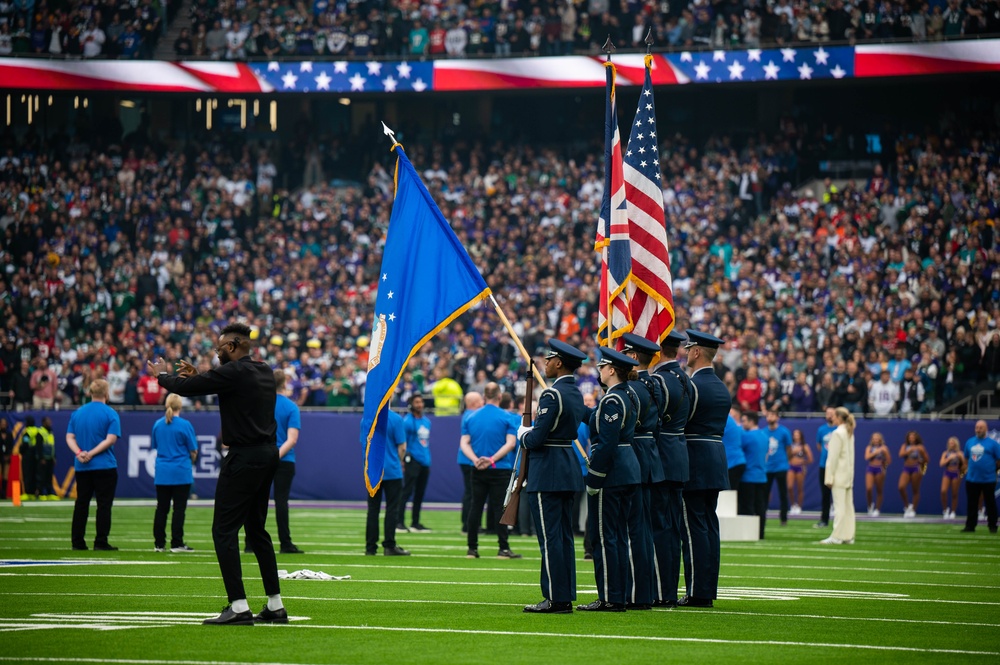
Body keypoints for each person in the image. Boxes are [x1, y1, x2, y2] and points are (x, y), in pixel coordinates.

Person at [149, 322, 288, 626]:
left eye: (220, 348)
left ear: (233, 346)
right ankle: (275, 605)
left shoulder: (233, 372)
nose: (217, 354)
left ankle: (238, 606)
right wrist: (200, 375)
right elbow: (228, 385)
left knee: (223, 530)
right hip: (268, 454)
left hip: (244, 456)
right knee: (257, 531)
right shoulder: (263, 370)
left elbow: (184, 388)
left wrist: (161, 375)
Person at [522, 339, 588, 614]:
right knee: (563, 537)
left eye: (548, 360)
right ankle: (564, 595)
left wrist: (523, 435)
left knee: (550, 538)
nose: (545, 364)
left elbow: (537, 438)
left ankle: (555, 598)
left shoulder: (552, 395)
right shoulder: (575, 394)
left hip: (548, 469)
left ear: (558, 363)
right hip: (567, 468)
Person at [577, 347, 640, 613]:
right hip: (628, 470)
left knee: (605, 537)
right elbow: (597, 421)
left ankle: (610, 597)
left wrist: (594, 477)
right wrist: (578, 409)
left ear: (611, 370)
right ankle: (619, 594)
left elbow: (606, 443)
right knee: (618, 536)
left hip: (612, 474)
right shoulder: (628, 395)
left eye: (602, 367)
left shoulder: (612, 400)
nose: (599, 371)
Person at [679, 329, 731, 608]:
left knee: (694, 528)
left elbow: (679, 422)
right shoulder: (721, 386)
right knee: (709, 527)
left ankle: (698, 591)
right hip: (715, 459)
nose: (686, 353)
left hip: (694, 460)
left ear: (697, 352)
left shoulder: (693, 386)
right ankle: (706, 588)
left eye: (689, 349)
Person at [620, 333, 666, 610]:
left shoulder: (631, 388)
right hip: (651, 455)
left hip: (634, 455)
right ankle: (644, 590)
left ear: (633, 356)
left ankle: (636, 593)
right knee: (644, 528)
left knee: (633, 528)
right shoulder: (656, 384)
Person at [650, 330, 692, 608]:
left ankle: (661, 590)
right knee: (672, 529)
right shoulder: (685, 379)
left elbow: (651, 421)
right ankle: (668, 589)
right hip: (679, 454)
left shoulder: (659, 381)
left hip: (661, 457)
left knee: (659, 528)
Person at [461, 382, 521, 559]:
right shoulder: (508, 417)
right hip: (499, 468)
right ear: (500, 396)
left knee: (475, 507)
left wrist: (476, 459)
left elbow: (464, 443)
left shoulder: (470, 417)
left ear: (485, 396)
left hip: (477, 467)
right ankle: (503, 548)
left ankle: (472, 548)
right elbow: (510, 444)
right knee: (499, 509)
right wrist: (492, 459)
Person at [66, 379, 121, 551]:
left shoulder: (78, 413)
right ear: (107, 393)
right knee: (103, 505)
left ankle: (77, 541)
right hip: (104, 465)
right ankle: (100, 541)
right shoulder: (110, 413)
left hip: (82, 466)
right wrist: (92, 453)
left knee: (81, 503)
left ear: (90, 393)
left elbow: (70, 437)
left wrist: (79, 453)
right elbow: (110, 439)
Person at [151, 393, 198, 552]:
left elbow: (156, 446)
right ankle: (177, 542)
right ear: (180, 406)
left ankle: (159, 543)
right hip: (180, 471)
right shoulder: (185, 425)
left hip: (163, 471)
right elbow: (193, 450)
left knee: (161, 508)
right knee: (179, 509)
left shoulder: (158, 424)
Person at [365, 406, 410, 556]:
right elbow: (402, 447)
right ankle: (389, 545)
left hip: (373, 471)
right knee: (392, 509)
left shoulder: (367, 419)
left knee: (373, 510)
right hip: (392, 470)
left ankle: (370, 547)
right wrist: (397, 461)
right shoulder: (396, 419)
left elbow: (365, 445)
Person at [271, 370, 304, 554]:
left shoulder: (262, 404)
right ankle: (285, 543)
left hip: (262, 456)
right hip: (284, 459)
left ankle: (250, 541)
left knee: (255, 501)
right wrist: (276, 456)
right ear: (284, 384)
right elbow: (291, 439)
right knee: (281, 502)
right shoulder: (291, 407)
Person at [821, 407, 856, 545]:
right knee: (848, 507)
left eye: (834, 416)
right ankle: (848, 536)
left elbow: (832, 458)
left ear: (839, 418)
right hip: (847, 475)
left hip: (839, 476)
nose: (832, 418)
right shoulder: (849, 432)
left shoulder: (837, 433)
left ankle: (837, 536)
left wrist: (829, 477)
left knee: (839, 507)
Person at [400, 395, 432, 532]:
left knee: (420, 493)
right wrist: (402, 461)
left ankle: (415, 522)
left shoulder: (426, 421)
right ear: (411, 405)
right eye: (417, 402)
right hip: (412, 460)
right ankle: (399, 521)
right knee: (406, 492)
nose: (420, 404)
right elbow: (402, 442)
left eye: (421, 402)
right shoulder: (407, 421)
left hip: (425, 460)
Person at [961, 420, 999, 533]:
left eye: (981, 427)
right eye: (977, 427)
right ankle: (970, 526)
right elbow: (966, 458)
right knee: (972, 503)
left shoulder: (993, 444)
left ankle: (992, 525)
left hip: (989, 479)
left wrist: (994, 470)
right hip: (972, 479)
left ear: (986, 428)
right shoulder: (969, 442)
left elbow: (999, 459)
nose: (978, 429)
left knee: (990, 503)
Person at [738, 411, 768, 539]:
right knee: (760, 507)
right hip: (761, 476)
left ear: (751, 421)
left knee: (747, 506)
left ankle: (749, 533)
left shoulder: (746, 436)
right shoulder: (764, 435)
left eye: (744, 421)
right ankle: (760, 533)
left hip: (748, 476)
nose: (742, 423)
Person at [458, 391, 484, 532]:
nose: (482, 403)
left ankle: (469, 523)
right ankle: (469, 524)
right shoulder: (472, 416)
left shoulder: (468, 415)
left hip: (466, 459)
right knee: (472, 493)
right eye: (480, 400)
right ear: (474, 403)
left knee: (471, 492)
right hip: (469, 460)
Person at [763, 407, 792, 526]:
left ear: (777, 417)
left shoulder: (784, 432)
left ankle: (783, 518)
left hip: (780, 467)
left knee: (782, 493)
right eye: (768, 415)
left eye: (772, 415)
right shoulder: (764, 431)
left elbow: (789, 449)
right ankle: (762, 517)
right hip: (767, 467)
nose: (769, 418)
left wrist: (785, 461)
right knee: (764, 494)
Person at [814, 407, 837, 529]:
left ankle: (840, 521)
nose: (829, 415)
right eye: (827, 413)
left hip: (837, 466)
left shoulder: (840, 429)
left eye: (831, 413)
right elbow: (819, 445)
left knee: (839, 493)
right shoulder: (821, 429)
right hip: (824, 465)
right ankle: (824, 519)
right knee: (825, 494)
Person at [898, 431, 929, 518]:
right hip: (906, 468)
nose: (911, 438)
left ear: (916, 438)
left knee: (915, 489)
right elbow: (900, 454)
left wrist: (921, 460)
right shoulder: (905, 446)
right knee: (901, 487)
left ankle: (913, 509)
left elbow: (927, 459)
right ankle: (907, 506)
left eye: (913, 437)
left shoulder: (920, 447)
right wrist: (909, 450)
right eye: (910, 437)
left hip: (916, 468)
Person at [863, 432, 891, 517]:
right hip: (870, 468)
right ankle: (870, 505)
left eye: (877, 438)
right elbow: (867, 457)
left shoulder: (884, 448)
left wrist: (885, 454)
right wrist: (877, 452)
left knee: (879, 489)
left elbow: (889, 461)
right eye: (874, 438)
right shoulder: (869, 447)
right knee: (869, 488)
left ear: (880, 439)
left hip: (880, 469)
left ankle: (877, 509)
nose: (875, 440)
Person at [787, 428, 813, 515]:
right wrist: (793, 452)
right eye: (794, 434)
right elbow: (786, 456)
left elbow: (810, 459)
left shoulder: (804, 446)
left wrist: (803, 462)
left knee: (799, 488)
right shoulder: (790, 445)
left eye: (797, 434)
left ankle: (799, 506)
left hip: (800, 468)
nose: (796, 436)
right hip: (791, 466)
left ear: (801, 436)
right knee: (790, 486)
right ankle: (793, 504)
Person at [939, 436, 966, 520]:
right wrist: (949, 458)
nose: (951, 444)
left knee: (954, 493)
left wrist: (961, 458)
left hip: (956, 473)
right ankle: (945, 510)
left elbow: (965, 466)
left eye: (952, 442)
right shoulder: (945, 453)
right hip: (947, 472)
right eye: (950, 442)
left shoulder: (960, 453)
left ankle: (953, 511)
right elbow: (941, 464)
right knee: (943, 491)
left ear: (955, 444)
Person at [723, 406, 746, 498]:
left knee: (729, 494)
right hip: (736, 462)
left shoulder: (725, 419)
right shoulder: (731, 422)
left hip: (732, 463)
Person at [36, 416, 56, 499]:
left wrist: (54, 457)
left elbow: (52, 446)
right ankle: (40, 493)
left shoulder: (50, 432)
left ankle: (49, 493)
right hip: (43, 458)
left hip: (50, 458)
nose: (50, 422)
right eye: (48, 421)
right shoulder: (40, 432)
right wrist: (41, 458)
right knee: (42, 477)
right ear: (44, 422)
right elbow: (39, 447)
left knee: (49, 476)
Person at [19, 415, 39, 499]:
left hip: (27, 455)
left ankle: (28, 492)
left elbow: (25, 444)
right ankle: (34, 492)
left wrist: (21, 450)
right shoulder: (37, 431)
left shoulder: (27, 432)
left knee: (27, 474)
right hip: (36, 455)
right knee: (34, 474)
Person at [0, 418, 13, 498]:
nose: (3, 425)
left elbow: (11, 446)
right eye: (2, 423)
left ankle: (3, 493)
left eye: (5, 423)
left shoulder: (9, 434)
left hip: (7, 457)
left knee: (5, 475)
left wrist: (8, 455)